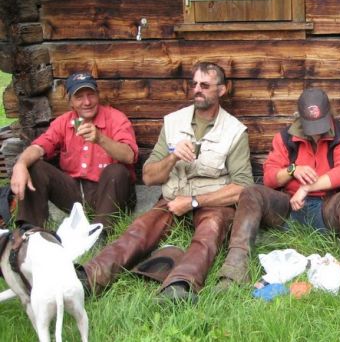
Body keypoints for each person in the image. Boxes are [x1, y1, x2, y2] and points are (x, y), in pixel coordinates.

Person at [77, 62, 254, 302]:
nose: (197, 90)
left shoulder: (234, 131)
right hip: (171, 199)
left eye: (205, 85)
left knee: (208, 235)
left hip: (212, 203)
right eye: (195, 84)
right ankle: (89, 278)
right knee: (138, 231)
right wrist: (172, 157)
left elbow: (242, 187)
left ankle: (180, 285)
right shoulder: (173, 122)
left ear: (222, 90)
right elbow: (149, 177)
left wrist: (193, 202)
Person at [215, 88, 340, 299]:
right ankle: (234, 272)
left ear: (329, 114)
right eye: (311, 126)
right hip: (289, 208)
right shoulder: (285, 137)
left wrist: (307, 187)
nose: (316, 132)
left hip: (327, 208)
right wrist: (293, 170)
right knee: (251, 192)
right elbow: (270, 177)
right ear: (300, 118)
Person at [10, 72, 137, 232]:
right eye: (79, 97)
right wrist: (20, 164)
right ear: (70, 101)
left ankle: (100, 232)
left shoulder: (116, 118)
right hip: (76, 194)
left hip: (109, 193)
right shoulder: (63, 122)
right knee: (33, 166)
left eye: (91, 95)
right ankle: (30, 232)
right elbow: (39, 146)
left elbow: (129, 156)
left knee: (117, 171)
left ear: (98, 96)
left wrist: (100, 139)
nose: (87, 102)